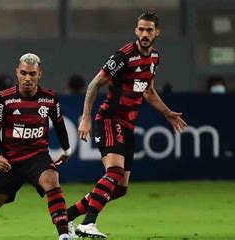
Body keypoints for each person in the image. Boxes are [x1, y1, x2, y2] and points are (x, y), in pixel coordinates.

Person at [66, 12, 187, 238]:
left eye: (149, 30)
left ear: (156, 32)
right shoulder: (123, 56)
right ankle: (88, 223)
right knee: (114, 171)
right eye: (141, 29)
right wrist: (85, 117)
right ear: (135, 31)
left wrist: (167, 112)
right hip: (110, 120)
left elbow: (148, 91)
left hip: (128, 126)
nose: (144, 34)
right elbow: (94, 84)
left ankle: (66, 216)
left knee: (120, 188)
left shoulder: (154, 58)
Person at [0, 53, 73, 240]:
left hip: (37, 156)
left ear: (39, 74)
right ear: (17, 72)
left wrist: (66, 150)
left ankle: (64, 235)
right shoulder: (4, 99)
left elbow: (59, 124)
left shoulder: (50, 99)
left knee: (51, 178)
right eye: (24, 73)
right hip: (10, 161)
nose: (27, 78)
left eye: (32, 74)